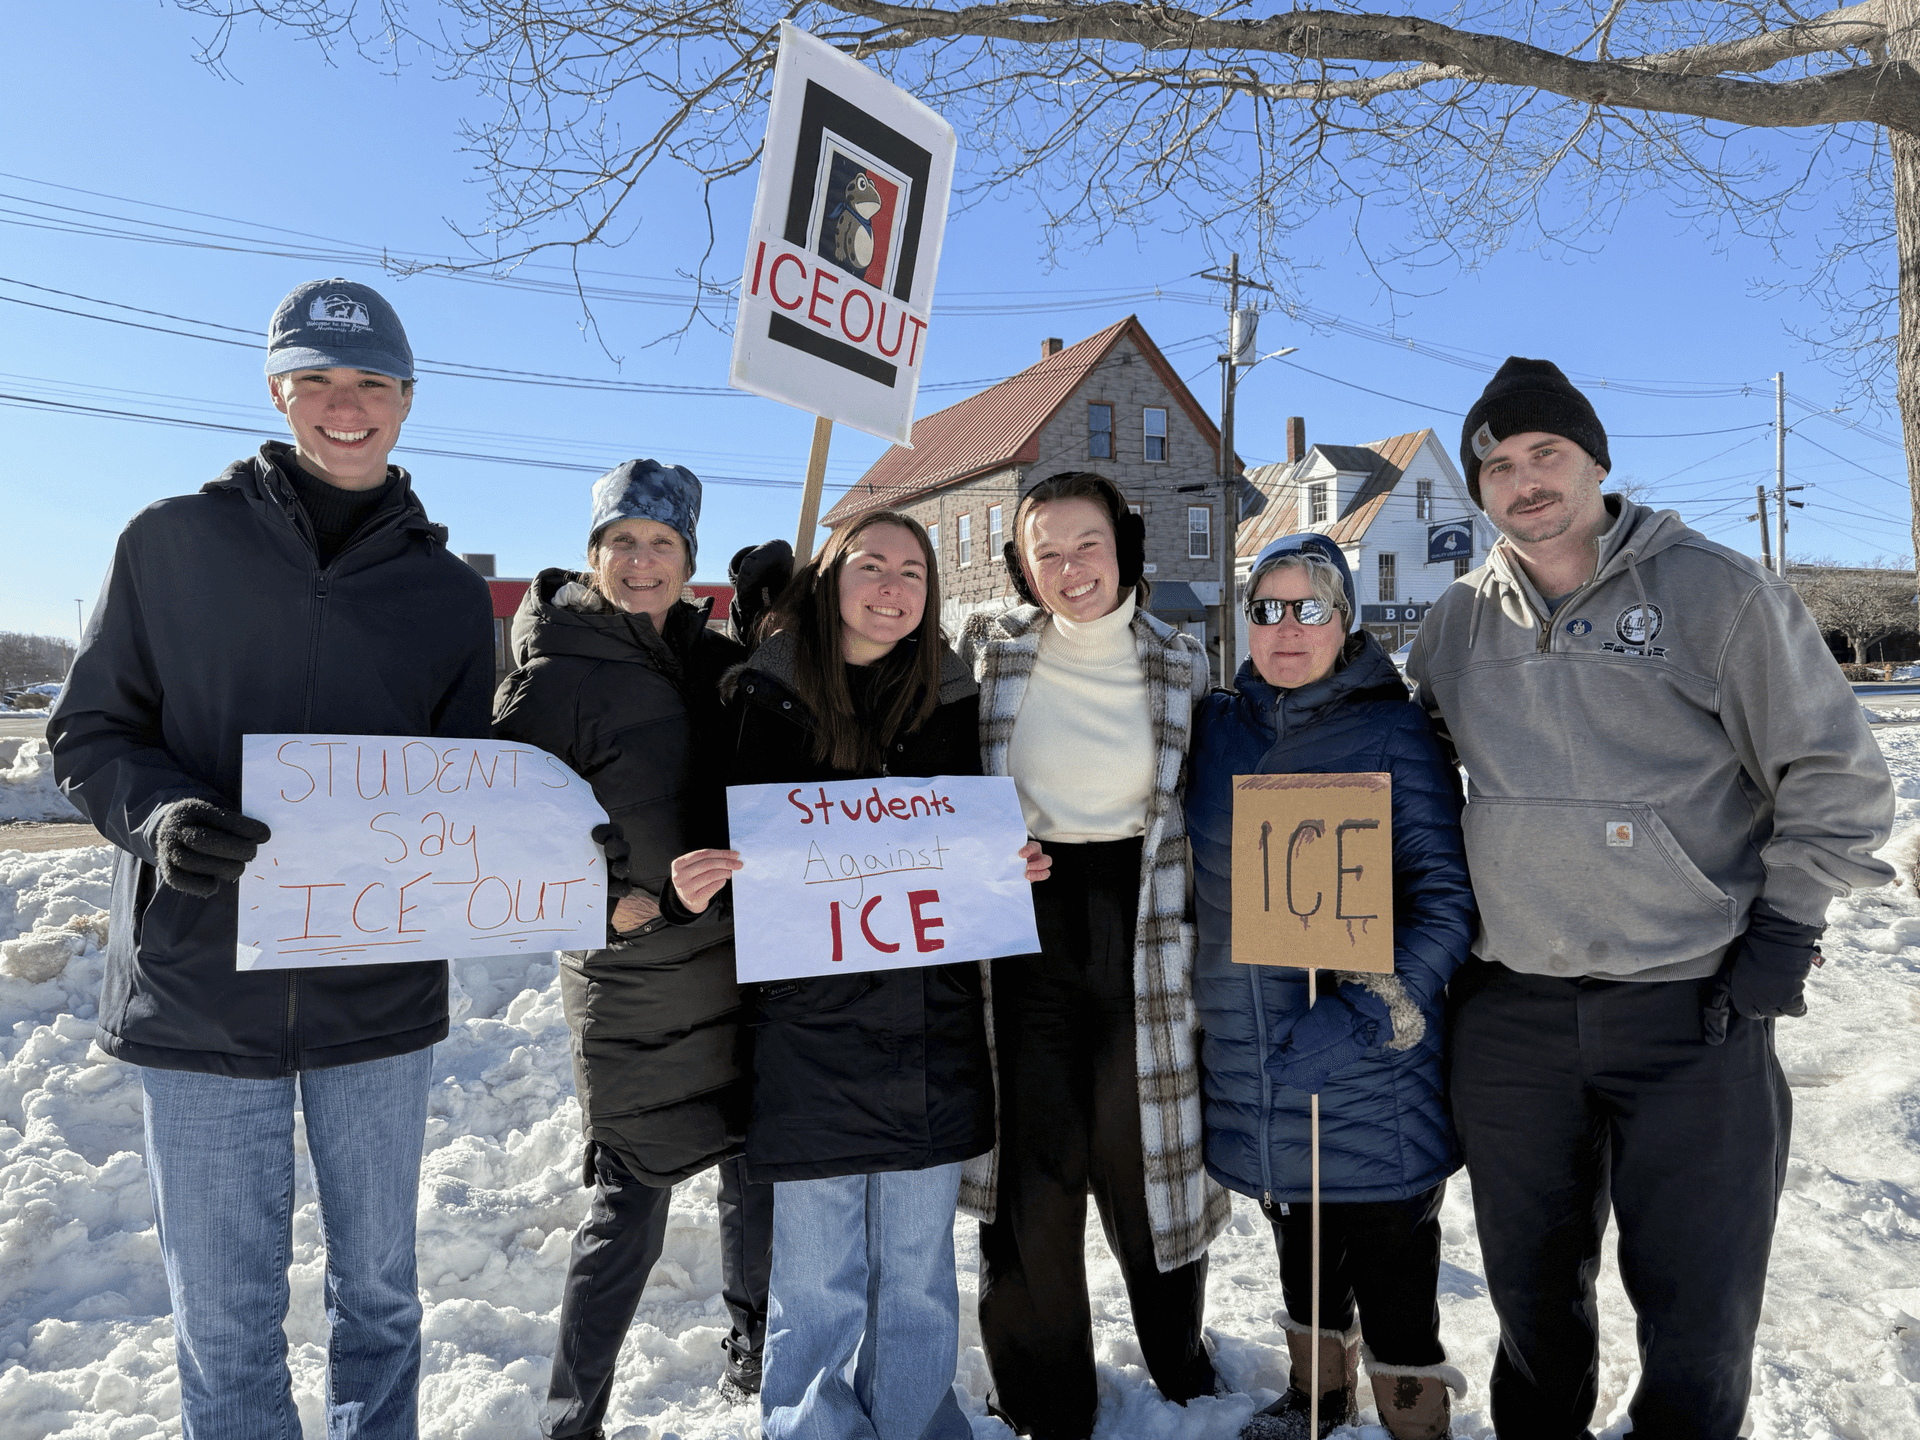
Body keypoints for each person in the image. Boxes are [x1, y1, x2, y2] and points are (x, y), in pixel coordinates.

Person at [1408, 358, 1897, 1439]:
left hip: (1692, 1010)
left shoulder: (1716, 594)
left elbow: (1838, 777)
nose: (1524, 482)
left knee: (1697, 1309)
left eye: (1546, 455)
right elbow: (1411, 786)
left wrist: (1786, 929)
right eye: (1497, 465)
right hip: (1514, 1014)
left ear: (1596, 461)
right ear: (1479, 490)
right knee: (1532, 1303)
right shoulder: (1454, 626)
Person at [48, 277, 495, 1437]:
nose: (344, 407)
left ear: (407, 399)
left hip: (376, 993)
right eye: (317, 382)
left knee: (382, 1302)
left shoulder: (447, 597)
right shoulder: (168, 542)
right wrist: (160, 818)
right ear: (276, 390)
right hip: (198, 990)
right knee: (228, 1320)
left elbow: (466, 782)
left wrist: (546, 834)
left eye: (371, 385)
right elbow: (90, 733)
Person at [667, 509, 1047, 1440]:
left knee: (918, 1273)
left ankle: (917, 1423)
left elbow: (961, 852)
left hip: (929, 1028)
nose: (891, 587)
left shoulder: (958, 701)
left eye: (912, 571)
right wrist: (699, 878)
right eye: (870, 566)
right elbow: (726, 852)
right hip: (807, 1034)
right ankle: (810, 1425)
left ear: (932, 594)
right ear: (831, 580)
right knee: (817, 1278)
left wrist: (1007, 865)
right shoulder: (759, 700)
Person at [491, 459, 780, 1434]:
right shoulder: (555, 672)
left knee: (756, 1169)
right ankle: (573, 1419)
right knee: (629, 1210)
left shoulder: (704, 658)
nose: (643, 560)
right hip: (637, 985)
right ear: (593, 555)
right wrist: (616, 904)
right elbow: (501, 835)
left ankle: (753, 1343)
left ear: (689, 561)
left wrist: (779, 638)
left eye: (663, 544)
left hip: (736, 965)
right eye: (624, 542)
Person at [1186, 534, 1476, 1440]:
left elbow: (1445, 901)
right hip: (1255, 1050)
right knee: (1301, 1246)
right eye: (1266, 609)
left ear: (1344, 620)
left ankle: (1412, 1413)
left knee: (1391, 1253)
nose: (1285, 628)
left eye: (1308, 607)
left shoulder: (1392, 730)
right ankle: (1316, 1395)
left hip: (1369, 1056)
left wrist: (1363, 1014)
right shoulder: (1218, 726)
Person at [957, 471, 1227, 1440]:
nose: (1070, 569)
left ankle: (1176, 1352)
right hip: (1025, 920)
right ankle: (1042, 1390)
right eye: (1047, 552)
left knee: (1144, 1142)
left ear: (1125, 548)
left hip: (1142, 919)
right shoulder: (987, 655)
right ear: (1022, 567)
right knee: (1034, 1158)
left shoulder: (1180, 662)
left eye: (1088, 545)